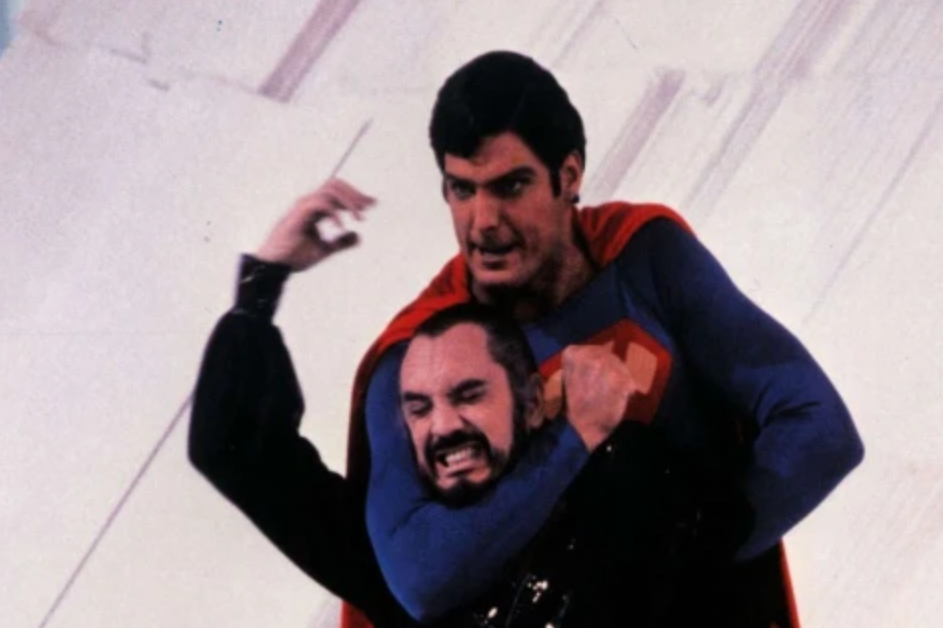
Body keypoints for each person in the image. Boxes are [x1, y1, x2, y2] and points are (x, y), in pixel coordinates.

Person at [331, 51, 866, 628]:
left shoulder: (645, 258)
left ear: (569, 175)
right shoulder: (419, 357)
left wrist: (684, 571)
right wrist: (571, 448)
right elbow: (419, 577)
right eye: (462, 190)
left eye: (511, 186)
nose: (483, 220)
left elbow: (820, 427)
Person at [188, 211, 753, 625]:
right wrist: (263, 283)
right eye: (419, 408)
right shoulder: (400, 556)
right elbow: (230, 446)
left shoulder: (632, 481)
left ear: (532, 401)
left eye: (468, 395)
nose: (443, 426)